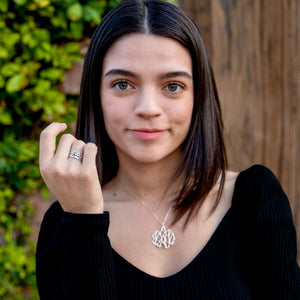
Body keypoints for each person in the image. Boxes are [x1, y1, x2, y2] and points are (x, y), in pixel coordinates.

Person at [36, 0, 300, 299]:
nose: (148, 109)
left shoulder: (253, 199)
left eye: (172, 86)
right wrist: (83, 221)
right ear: (97, 95)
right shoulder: (67, 222)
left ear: (197, 97)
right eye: (123, 84)